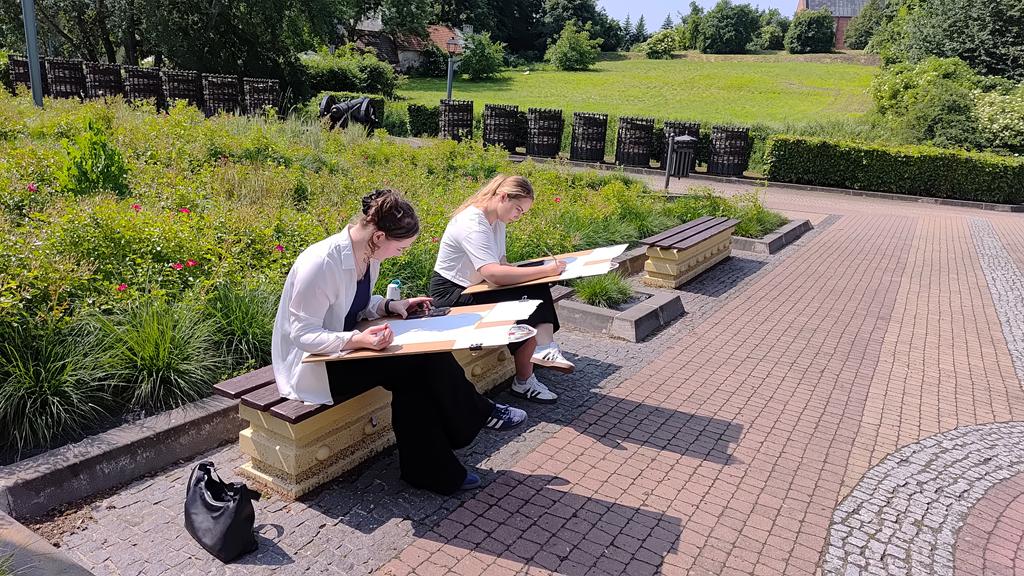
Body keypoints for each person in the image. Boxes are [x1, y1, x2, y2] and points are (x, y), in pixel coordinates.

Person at [271, 189, 526, 495]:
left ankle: (431, 469)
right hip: (316, 365)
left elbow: (353, 305)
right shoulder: (321, 263)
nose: (400, 254)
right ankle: (473, 417)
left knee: (416, 375)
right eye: (401, 247)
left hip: (346, 350)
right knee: (419, 362)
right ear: (379, 237)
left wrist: (390, 306)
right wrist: (358, 339)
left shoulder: (366, 254)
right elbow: (302, 334)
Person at [429, 174, 573, 405]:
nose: (518, 216)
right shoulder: (472, 223)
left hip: (477, 286)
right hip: (452, 293)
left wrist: (535, 274)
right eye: (518, 209)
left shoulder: (497, 221)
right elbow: (494, 273)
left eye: (522, 212)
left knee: (534, 289)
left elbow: (501, 263)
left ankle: (544, 350)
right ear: (503, 197)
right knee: (529, 297)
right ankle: (532, 368)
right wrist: (546, 270)